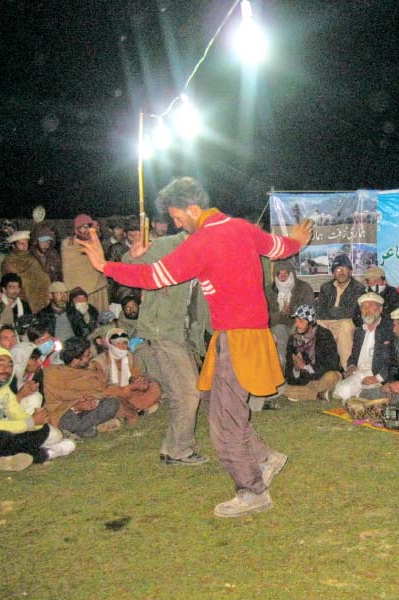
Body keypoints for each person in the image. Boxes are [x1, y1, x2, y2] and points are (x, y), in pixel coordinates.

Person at [77, 176, 312, 518]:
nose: (175, 223)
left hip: (238, 337)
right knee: (215, 400)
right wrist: (296, 242)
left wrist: (105, 266)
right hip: (236, 335)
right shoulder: (241, 227)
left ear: (192, 208)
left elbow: (154, 277)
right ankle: (263, 457)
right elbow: (278, 248)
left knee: (223, 420)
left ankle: (252, 491)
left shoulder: (203, 241)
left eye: (176, 217)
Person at [123, 231, 209, 465]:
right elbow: (129, 265)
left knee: (184, 393)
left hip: (182, 336)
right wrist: (132, 256)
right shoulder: (167, 245)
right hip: (162, 333)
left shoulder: (204, 253)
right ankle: (179, 450)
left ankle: (173, 448)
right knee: (189, 393)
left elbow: (200, 303)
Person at [0, 346, 75, 471]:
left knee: (43, 430)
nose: (5, 369)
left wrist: (38, 421)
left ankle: (2, 460)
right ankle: (45, 454)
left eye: (9, 366)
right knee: (2, 437)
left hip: (4, 436)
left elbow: (16, 413)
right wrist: (30, 422)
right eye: (0, 364)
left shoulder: (3, 388)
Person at [43, 336, 124, 438]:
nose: (90, 356)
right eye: (87, 355)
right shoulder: (52, 372)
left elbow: (101, 391)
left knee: (112, 403)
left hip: (91, 410)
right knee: (69, 421)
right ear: (76, 358)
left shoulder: (89, 371)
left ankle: (80, 430)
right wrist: (76, 407)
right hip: (65, 411)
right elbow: (54, 400)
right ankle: (86, 429)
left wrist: (94, 400)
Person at [332, 292, 395, 402]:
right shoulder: (359, 331)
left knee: (367, 394)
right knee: (342, 390)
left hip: (378, 376)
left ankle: (363, 396)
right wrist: (351, 366)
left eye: (371, 306)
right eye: (363, 307)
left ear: (380, 309)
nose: (366, 310)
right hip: (360, 373)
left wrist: (377, 378)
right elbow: (354, 355)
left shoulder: (389, 329)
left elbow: (394, 361)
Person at [90, 328, 161, 420]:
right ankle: (137, 409)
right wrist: (130, 387)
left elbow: (136, 375)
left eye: (123, 343)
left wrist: (140, 382)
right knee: (114, 404)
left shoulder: (129, 356)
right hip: (114, 397)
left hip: (130, 393)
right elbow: (101, 392)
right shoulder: (98, 363)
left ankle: (134, 409)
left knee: (154, 386)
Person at [315, 254, 365, 368]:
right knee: (317, 323)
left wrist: (331, 311)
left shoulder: (358, 288)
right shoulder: (325, 287)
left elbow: (351, 311)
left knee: (345, 325)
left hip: (347, 321)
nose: (341, 272)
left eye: (344, 269)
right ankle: (323, 366)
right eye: (338, 269)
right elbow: (319, 311)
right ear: (333, 273)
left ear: (350, 272)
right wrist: (335, 312)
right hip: (328, 322)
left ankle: (345, 367)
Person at [282, 305, 341, 401]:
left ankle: (302, 394)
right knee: (283, 387)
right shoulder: (293, 339)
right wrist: (296, 369)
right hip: (305, 381)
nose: (297, 325)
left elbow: (332, 364)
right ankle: (318, 394)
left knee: (332, 376)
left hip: (322, 377)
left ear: (311, 323)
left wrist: (306, 367)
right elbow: (289, 374)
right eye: (296, 321)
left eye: (301, 321)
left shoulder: (324, 335)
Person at [265, 259, 315, 369]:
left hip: (299, 325)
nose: (283, 277)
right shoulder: (268, 291)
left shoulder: (303, 287)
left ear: (291, 273)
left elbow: (310, 311)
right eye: (279, 274)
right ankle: (282, 369)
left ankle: (305, 369)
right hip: (277, 327)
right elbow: (265, 317)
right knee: (279, 331)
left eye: (286, 274)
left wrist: (293, 311)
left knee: (298, 332)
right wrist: (280, 313)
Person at [61, 213, 109, 311]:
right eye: (81, 227)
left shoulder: (96, 242)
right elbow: (68, 269)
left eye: (87, 227)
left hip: (97, 289)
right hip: (77, 291)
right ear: (76, 229)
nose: (84, 230)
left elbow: (100, 262)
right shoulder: (67, 245)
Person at [1, 230, 51, 313]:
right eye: (21, 244)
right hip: (18, 294)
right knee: (25, 283)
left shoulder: (31, 258)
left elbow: (40, 273)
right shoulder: (9, 261)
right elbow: (16, 277)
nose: (25, 247)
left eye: (26, 244)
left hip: (37, 291)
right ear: (14, 246)